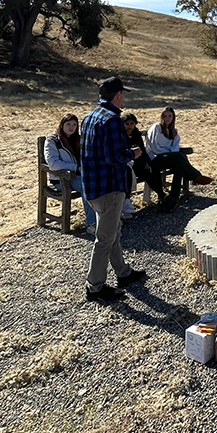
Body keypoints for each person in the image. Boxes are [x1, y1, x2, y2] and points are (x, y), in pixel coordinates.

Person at [80, 77, 146, 302]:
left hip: (93, 186)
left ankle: (123, 272)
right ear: (118, 94)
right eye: (123, 94)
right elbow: (113, 157)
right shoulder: (112, 120)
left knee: (112, 231)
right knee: (105, 238)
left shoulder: (89, 116)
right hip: (109, 187)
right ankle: (95, 286)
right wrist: (132, 154)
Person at [145, 107, 213, 210]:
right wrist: (168, 152)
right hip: (154, 158)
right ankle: (195, 176)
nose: (167, 119)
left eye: (170, 116)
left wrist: (170, 153)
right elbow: (153, 147)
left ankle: (173, 197)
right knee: (179, 157)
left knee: (179, 165)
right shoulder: (156, 128)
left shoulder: (174, 131)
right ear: (161, 117)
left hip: (169, 158)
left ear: (173, 118)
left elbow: (175, 148)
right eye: (165, 116)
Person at [44, 114, 97, 234]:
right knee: (88, 186)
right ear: (62, 125)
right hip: (62, 179)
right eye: (68, 124)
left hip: (80, 175)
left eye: (74, 125)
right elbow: (53, 164)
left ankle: (107, 218)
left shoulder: (77, 139)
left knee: (102, 180)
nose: (71, 127)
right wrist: (75, 168)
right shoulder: (52, 141)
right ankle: (91, 223)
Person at [121, 113, 167, 212]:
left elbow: (142, 149)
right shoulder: (120, 135)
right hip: (127, 163)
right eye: (127, 124)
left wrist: (147, 161)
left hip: (139, 160)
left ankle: (161, 195)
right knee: (145, 171)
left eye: (132, 123)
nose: (129, 126)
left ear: (135, 124)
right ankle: (161, 194)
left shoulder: (136, 134)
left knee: (153, 167)